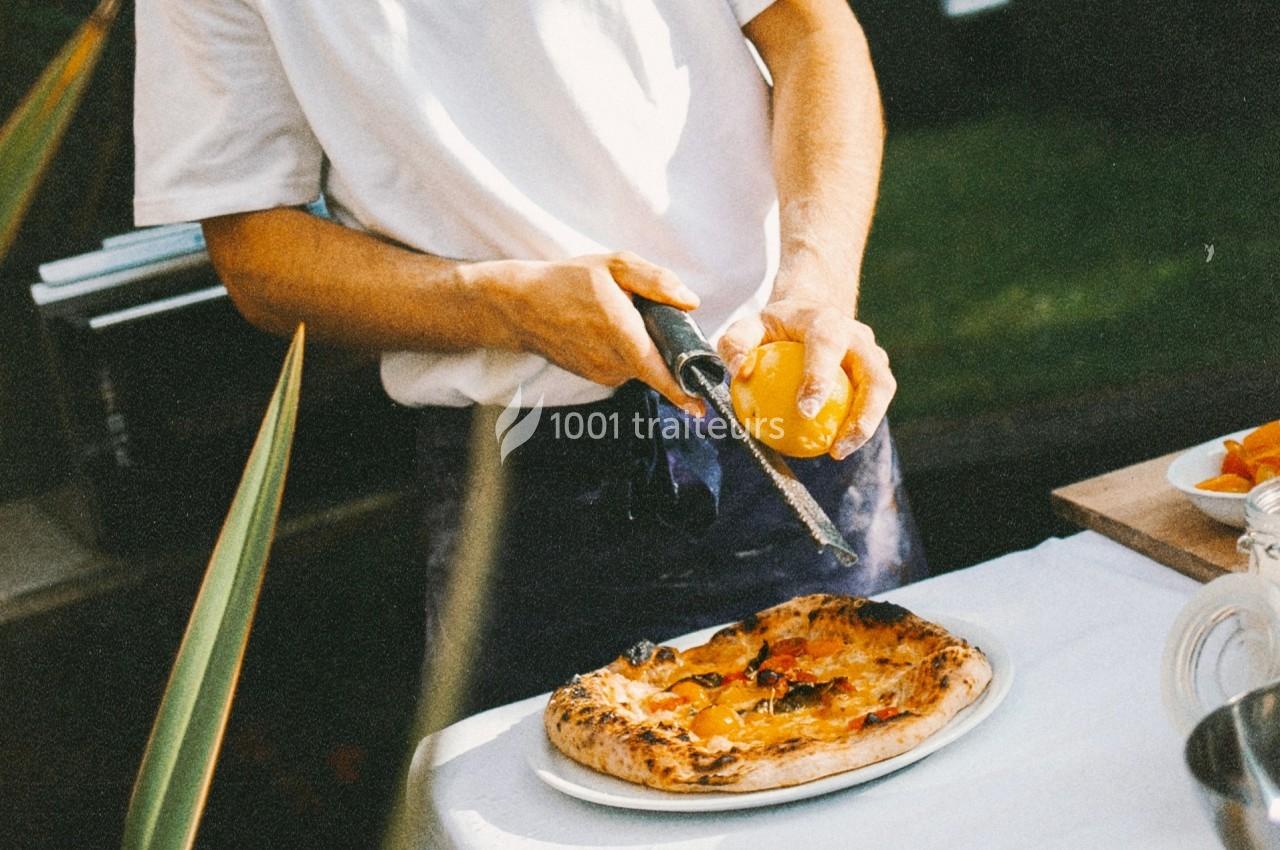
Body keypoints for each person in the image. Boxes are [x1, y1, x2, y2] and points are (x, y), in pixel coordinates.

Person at [134, 0, 926, 717]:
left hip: (783, 399)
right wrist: (502, 304)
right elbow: (254, 252)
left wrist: (816, 285)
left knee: (889, 754)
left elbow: (812, 31)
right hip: (513, 484)